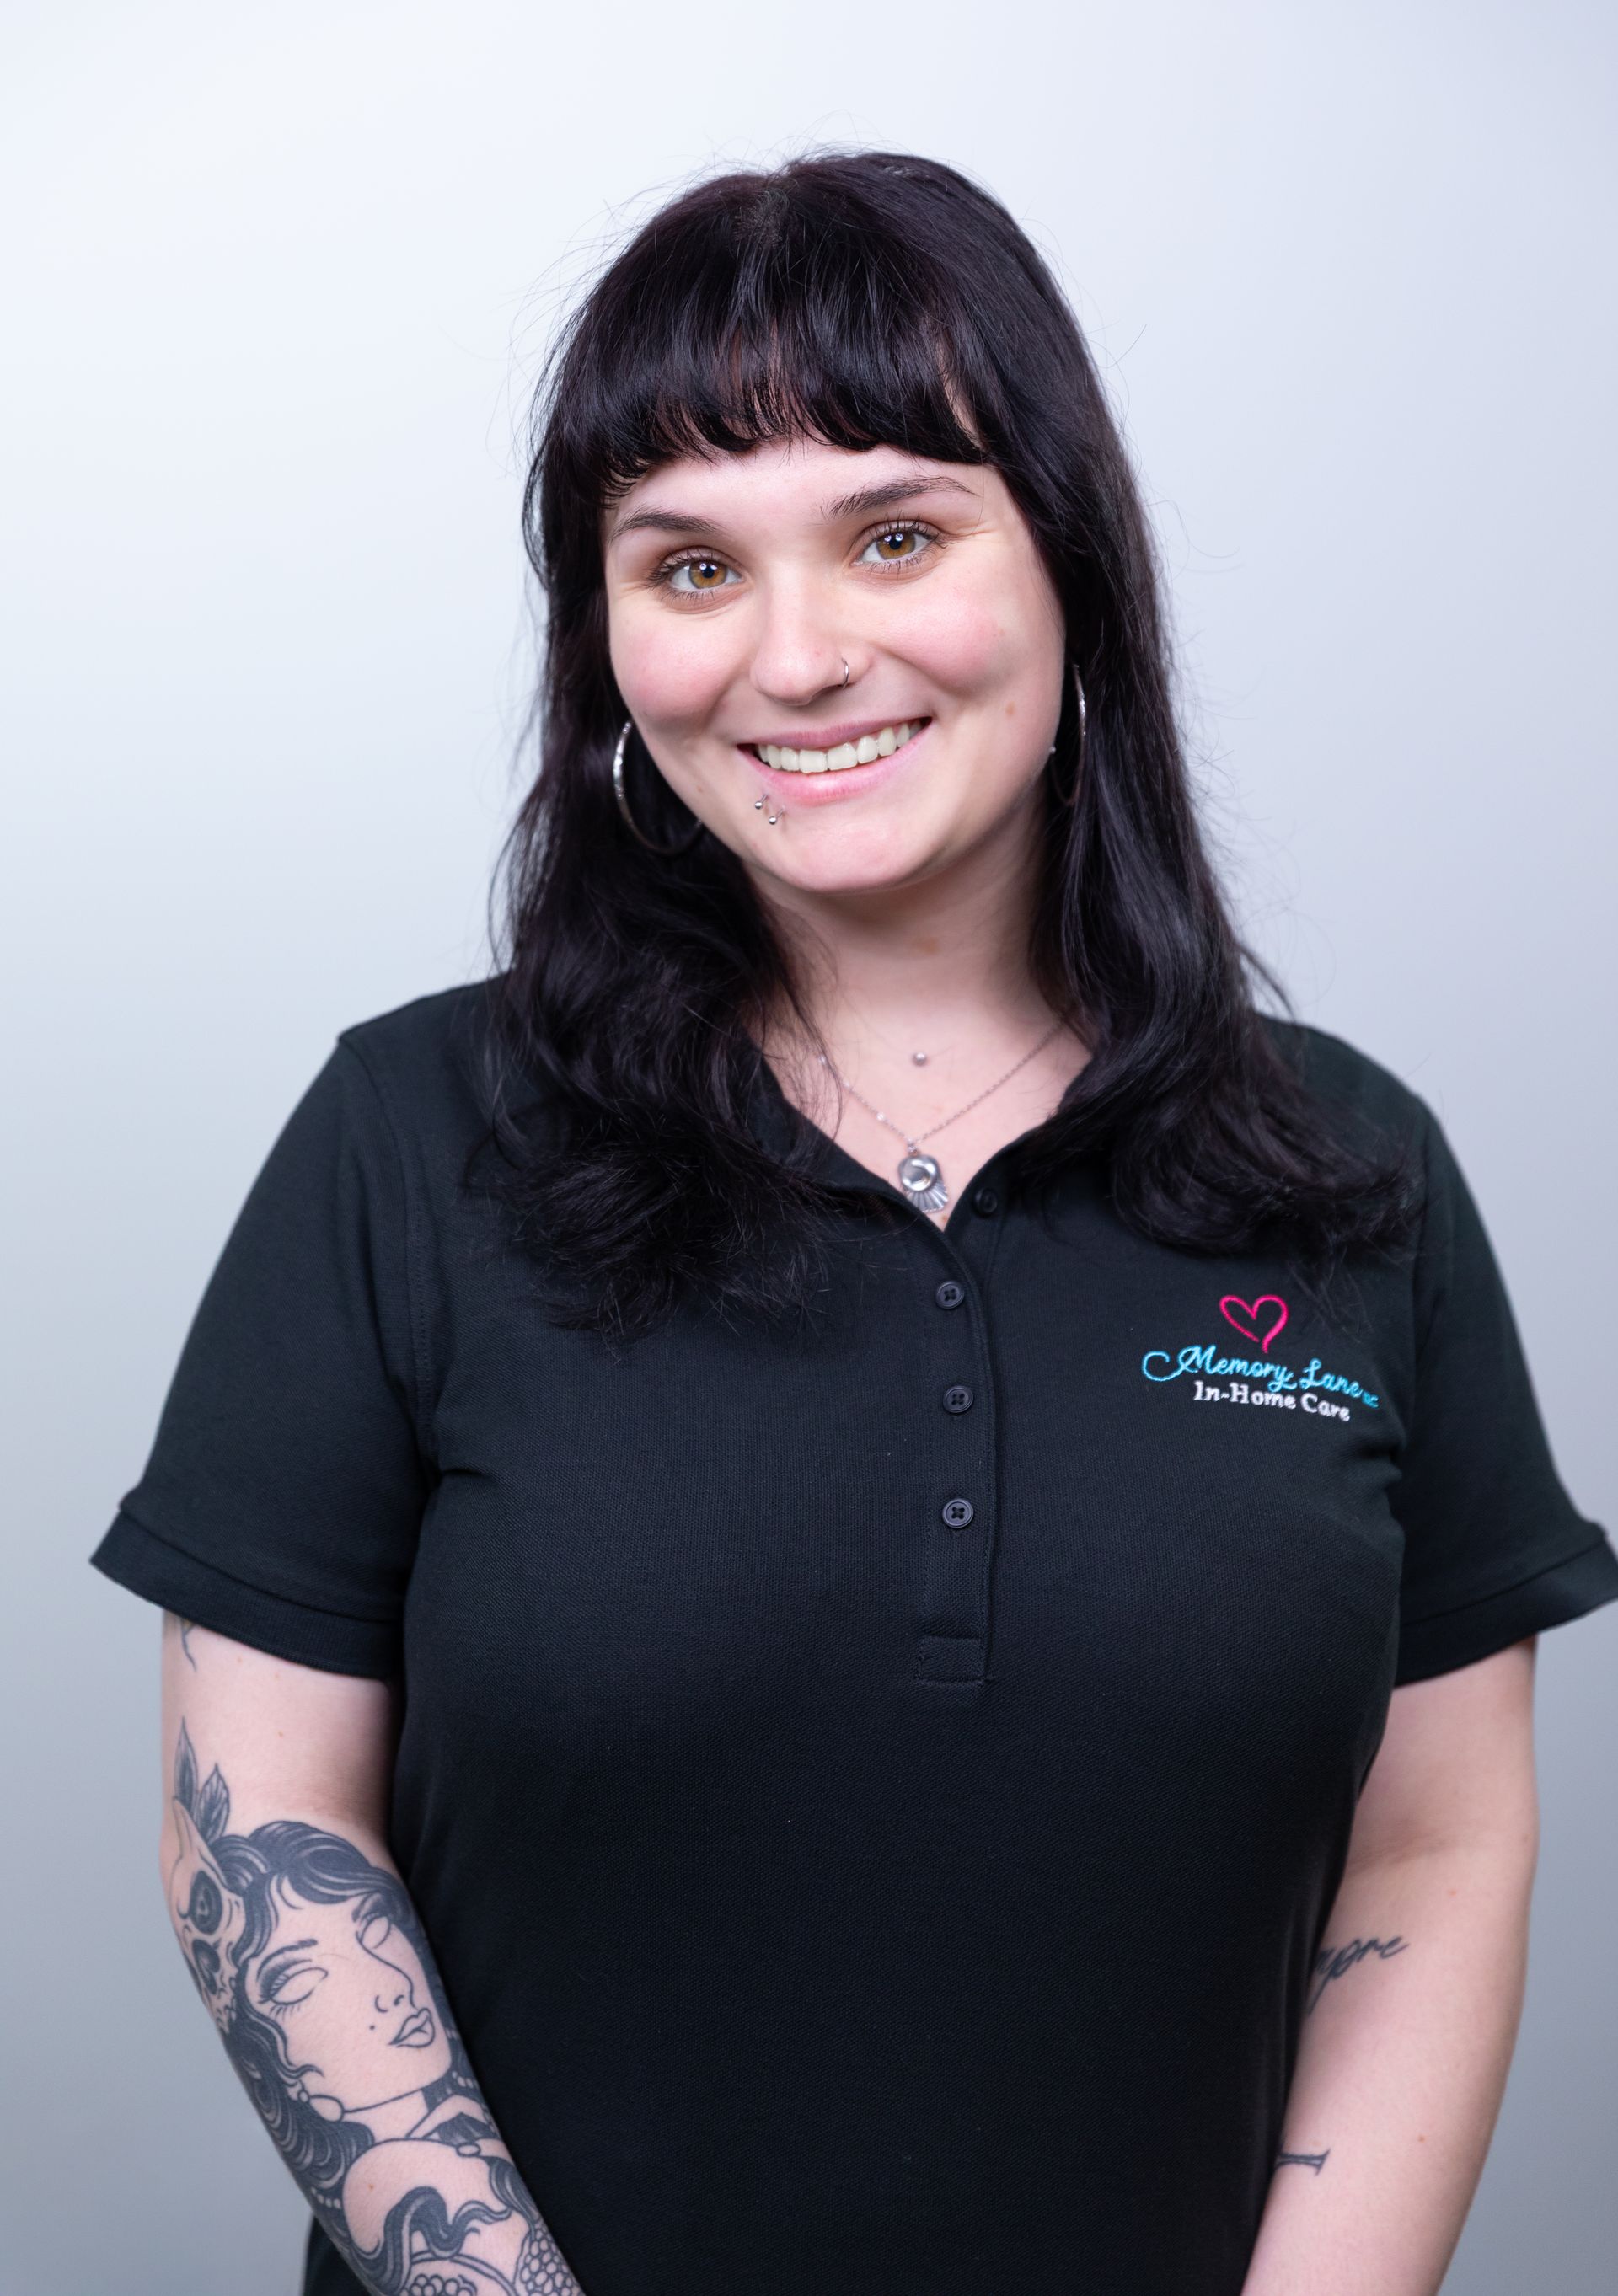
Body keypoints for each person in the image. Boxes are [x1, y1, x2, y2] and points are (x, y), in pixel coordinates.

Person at [94, 151, 1617, 2296]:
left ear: (1067, 561)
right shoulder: (407, 1134)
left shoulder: (1351, 1169)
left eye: (896, 533)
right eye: (688, 566)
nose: (798, 659)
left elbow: (1439, 1845)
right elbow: (258, 1812)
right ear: (603, 634)